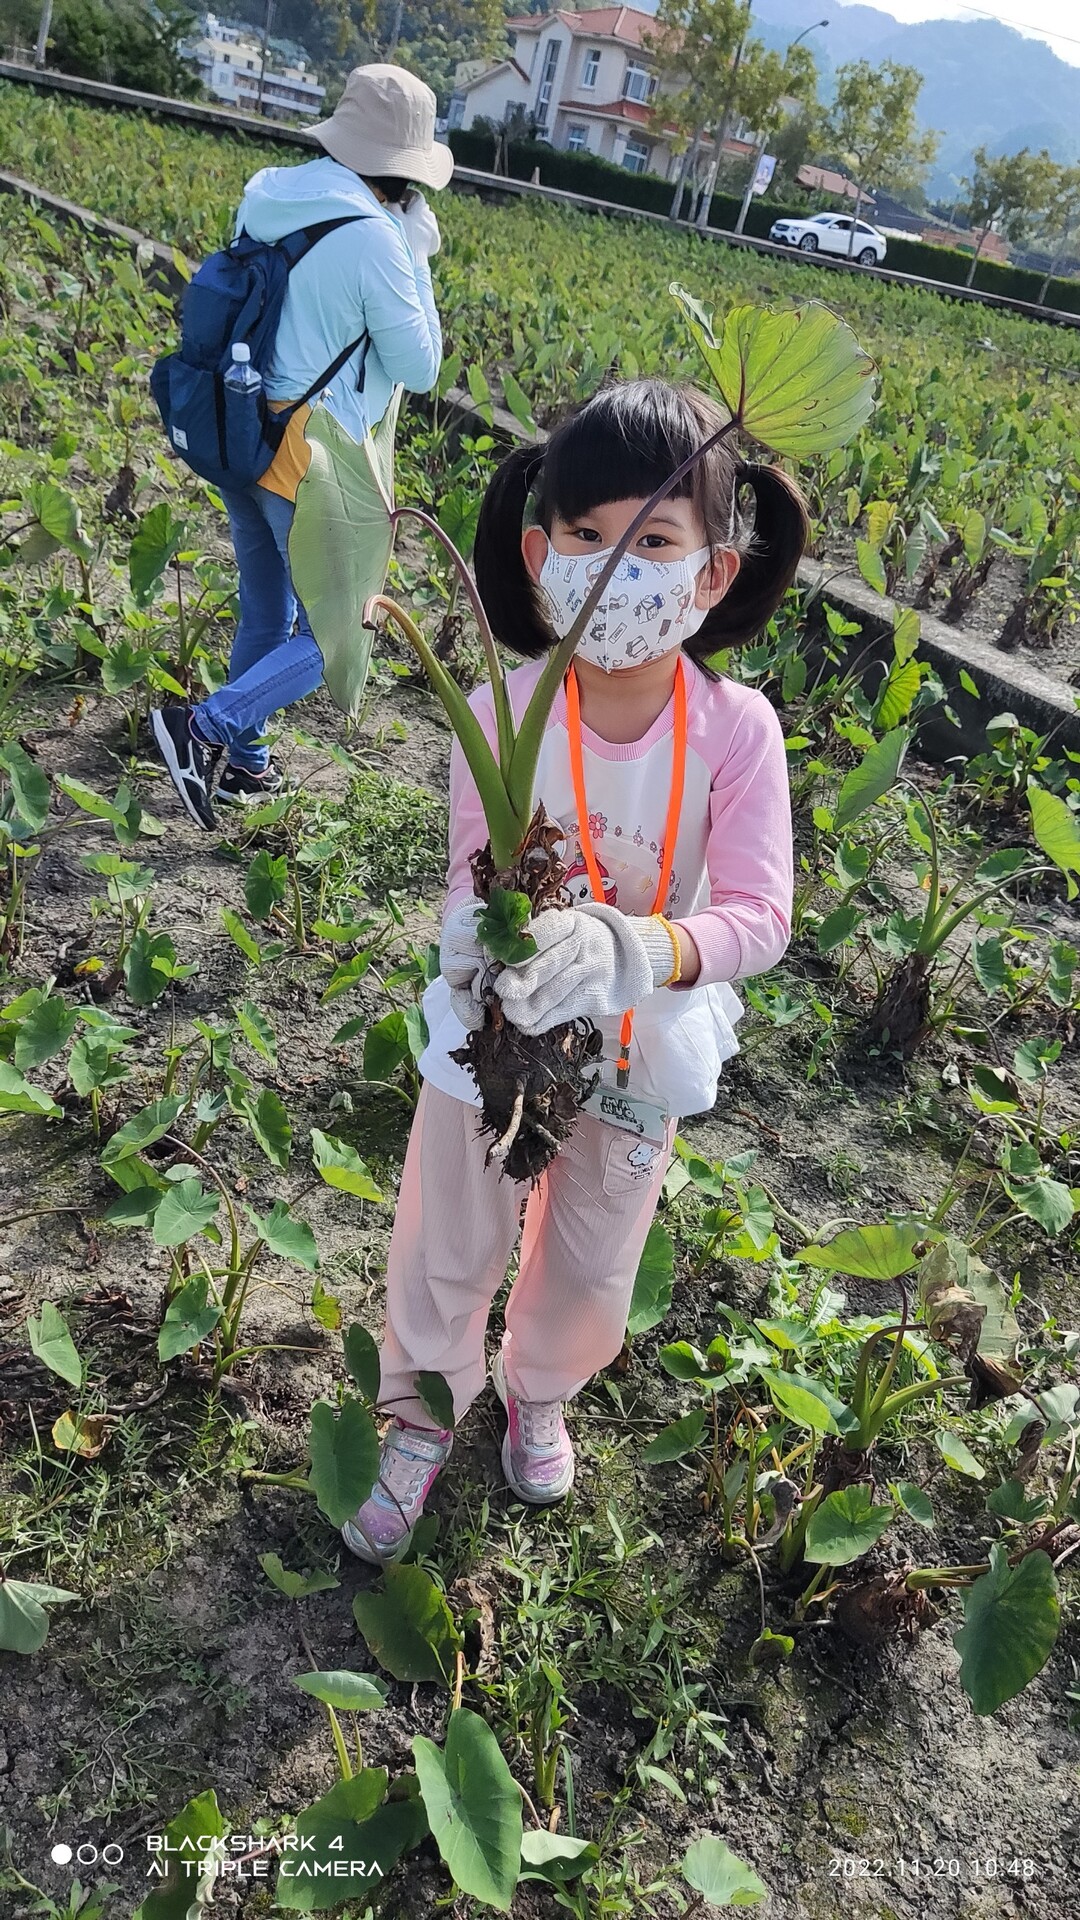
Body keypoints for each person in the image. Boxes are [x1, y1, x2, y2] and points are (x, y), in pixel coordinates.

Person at [341, 377, 809, 1564]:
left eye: (653, 542)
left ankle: (539, 1388)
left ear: (713, 573)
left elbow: (760, 917)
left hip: (639, 1029)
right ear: (539, 554)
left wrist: (634, 946)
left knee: (597, 1248)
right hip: (501, 1016)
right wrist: (466, 935)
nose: (615, 570)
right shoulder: (501, 710)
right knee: (449, 1225)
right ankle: (422, 1409)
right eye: (588, 536)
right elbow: (469, 868)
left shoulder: (737, 729)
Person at [151, 64, 450, 829]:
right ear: (406, 170)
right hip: (311, 455)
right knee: (339, 630)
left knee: (268, 610)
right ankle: (205, 728)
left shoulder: (271, 194)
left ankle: (246, 765)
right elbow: (421, 367)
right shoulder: (376, 239)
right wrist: (416, 255)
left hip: (243, 425)